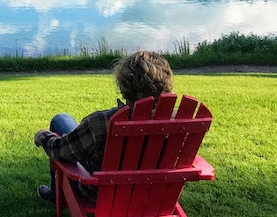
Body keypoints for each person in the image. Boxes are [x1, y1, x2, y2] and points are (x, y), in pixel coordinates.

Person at [33, 50, 174, 203]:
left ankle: (56, 196)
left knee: (60, 120)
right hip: (152, 195)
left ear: (124, 85)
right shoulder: (178, 122)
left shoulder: (101, 122)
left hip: (99, 193)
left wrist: (44, 137)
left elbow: (62, 151)